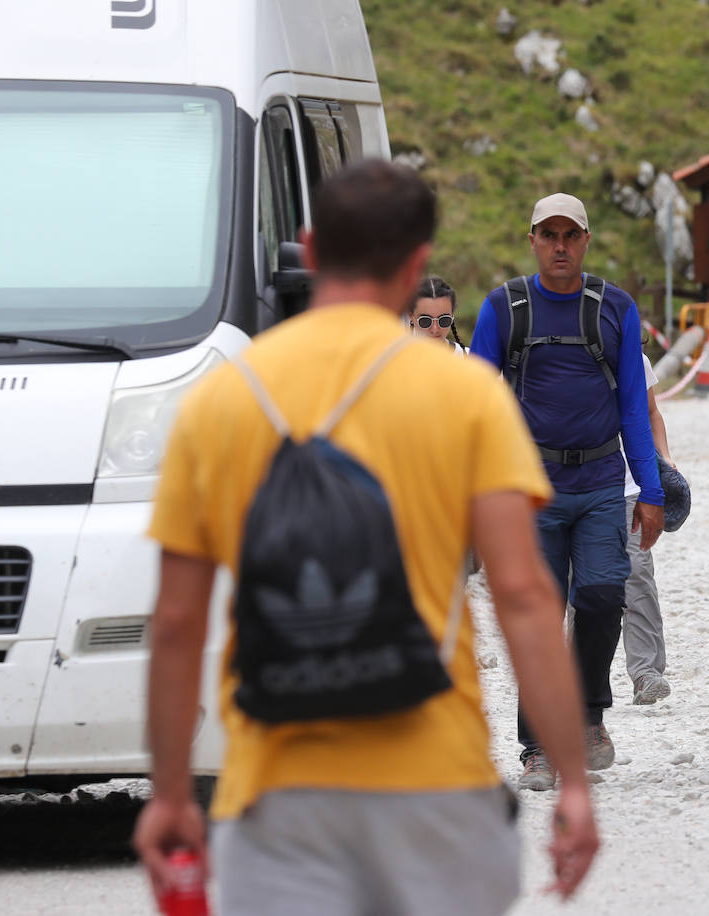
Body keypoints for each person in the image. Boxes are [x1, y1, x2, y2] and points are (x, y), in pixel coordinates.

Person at [132, 161, 599, 915]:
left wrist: (171, 796)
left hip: (276, 794)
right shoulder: (463, 394)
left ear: (310, 251)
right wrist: (573, 781)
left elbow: (179, 621)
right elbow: (521, 594)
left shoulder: (219, 400)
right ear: (417, 265)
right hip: (436, 781)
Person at [469, 192, 664, 791]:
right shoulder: (504, 308)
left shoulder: (616, 308)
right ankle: (535, 748)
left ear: (585, 240)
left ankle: (587, 715)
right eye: (547, 234)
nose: (559, 245)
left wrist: (651, 489)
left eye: (569, 234)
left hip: (604, 483)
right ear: (531, 239)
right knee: (540, 613)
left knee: (604, 599)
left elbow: (633, 401)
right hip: (529, 490)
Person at [622, 353, 675, 705]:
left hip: (630, 484)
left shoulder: (632, 357)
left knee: (638, 572)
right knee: (578, 580)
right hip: (575, 487)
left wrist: (665, 459)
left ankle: (646, 672)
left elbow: (652, 411)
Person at [409, 275, 468, 353]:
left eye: (444, 320)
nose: (435, 329)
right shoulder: (392, 358)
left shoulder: (470, 358)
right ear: (410, 316)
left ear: (452, 315)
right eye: (425, 321)